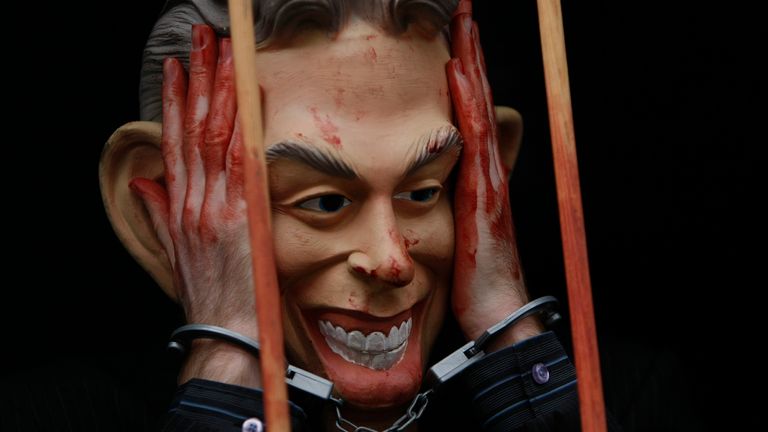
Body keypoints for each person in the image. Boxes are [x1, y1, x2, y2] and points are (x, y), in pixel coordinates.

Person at [99, 0, 601, 430]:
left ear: (489, 180)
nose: (391, 262)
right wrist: (227, 360)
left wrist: (510, 333)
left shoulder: (643, 391)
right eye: (325, 202)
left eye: (423, 192)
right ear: (156, 215)